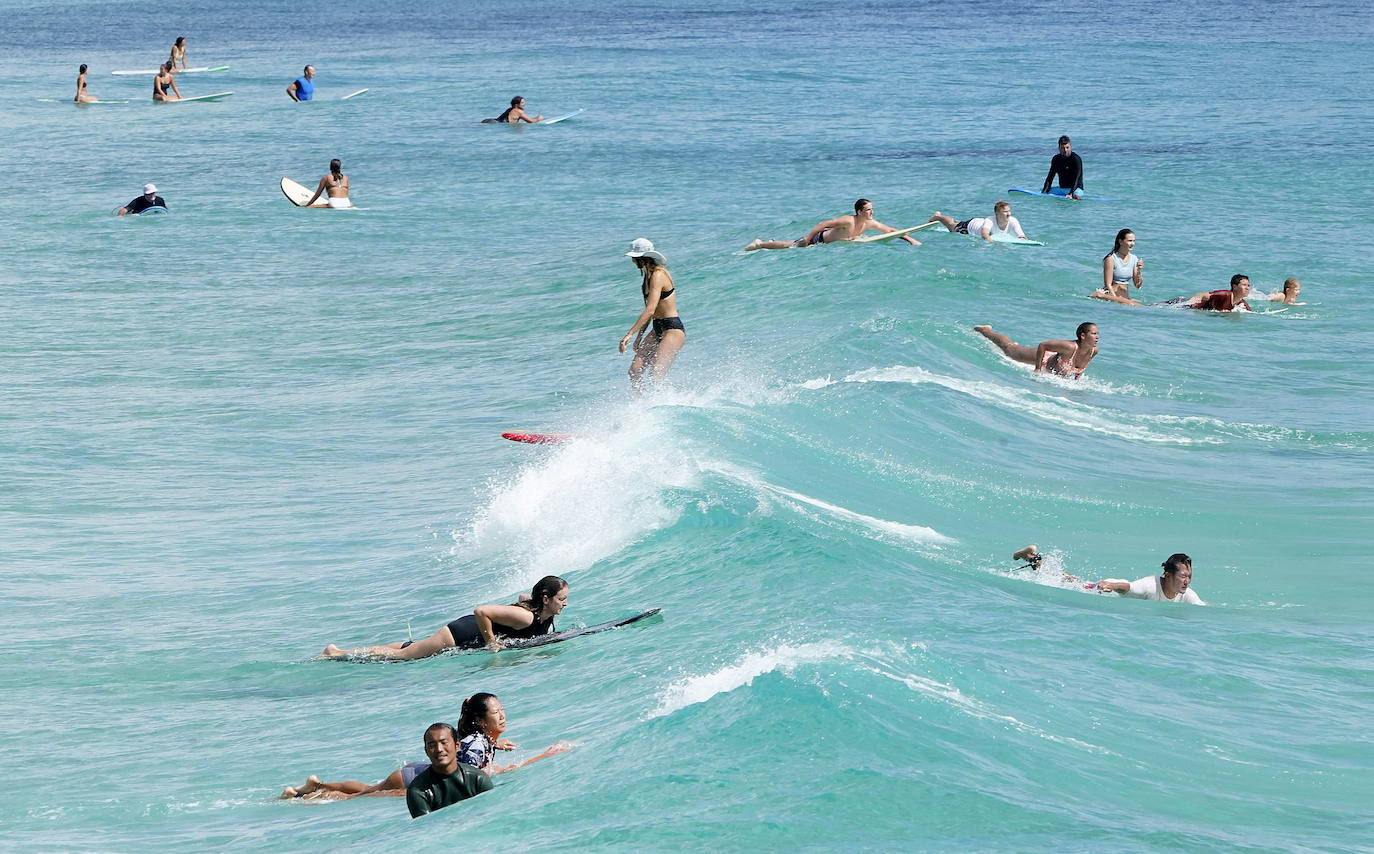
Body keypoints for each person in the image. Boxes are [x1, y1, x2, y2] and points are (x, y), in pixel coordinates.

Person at [278, 692, 572, 801]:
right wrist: (545, 755)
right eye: (497, 712)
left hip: (410, 773)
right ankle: (305, 796)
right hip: (414, 779)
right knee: (361, 797)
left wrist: (498, 744)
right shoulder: (476, 745)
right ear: (482, 720)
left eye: (502, 710)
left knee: (367, 789)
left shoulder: (481, 740)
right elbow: (468, 775)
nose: (503, 715)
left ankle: (314, 786)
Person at [321, 575, 569, 660]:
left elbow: (524, 594)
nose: (565, 603)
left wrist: (534, 599)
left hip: (466, 631)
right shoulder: (525, 617)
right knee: (404, 656)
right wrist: (492, 642)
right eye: (561, 599)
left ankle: (342, 651)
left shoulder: (540, 609)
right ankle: (338, 654)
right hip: (459, 633)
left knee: (410, 647)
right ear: (547, 599)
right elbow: (481, 611)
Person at [1012, 546, 1206, 604]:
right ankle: (1031, 557)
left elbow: (1204, 609)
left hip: (1112, 588)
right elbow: (1126, 586)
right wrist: (1109, 586)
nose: (1187, 580)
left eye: (1189, 576)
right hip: (1106, 589)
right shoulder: (1150, 585)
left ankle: (1032, 557)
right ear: (1168, 575)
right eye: (1182, 576)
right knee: (1068, 582)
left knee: (1072, 579)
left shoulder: (1187, 594)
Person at [619, 238, 685, 390]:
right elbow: (651, 313)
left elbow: (649, 309)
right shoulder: (647, 278)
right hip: (657, 329)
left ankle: (666, 404)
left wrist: (629, 334)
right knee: (634, 371)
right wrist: (639, 337)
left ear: (641, 258)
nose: (633, 262)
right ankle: (643, 405)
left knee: (655, 375)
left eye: (634, 258)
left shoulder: (658, 275)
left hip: (672, 329)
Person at [744, 199, 920, 250]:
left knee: (789, 245)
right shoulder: (847, 220)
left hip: (834, 241)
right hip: (819, 240)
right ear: (859, 211)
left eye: (872, 209)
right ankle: (761, 244)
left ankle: (763, 243)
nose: (871, 212)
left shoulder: (870, 223)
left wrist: (910, 240)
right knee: (789, 246)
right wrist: (808, 238)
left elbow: (890, 230)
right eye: (868, 210)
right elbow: (823, 223)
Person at [406, 724, 493, 818]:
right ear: (426, 751)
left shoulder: (478, 779)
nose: (439, 749)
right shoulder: (418, 791)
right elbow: (426, 827)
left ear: (457, 746)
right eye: (432, 745)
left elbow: (489, 815)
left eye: (444, 743)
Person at [974, 322, 1098, 379]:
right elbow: (1043, 345)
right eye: (1094, 334)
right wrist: (1038, 369)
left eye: (1097, 334)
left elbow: (1081, 366)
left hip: (1053, 362)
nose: (1097, 337)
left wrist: (1076, 380)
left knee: (1011, 349)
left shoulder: (1093, 351)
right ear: (1083, 336)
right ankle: (985, 331)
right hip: (1043, 357)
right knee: (1010, 349)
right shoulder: (1069, 346)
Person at [927, 201, 1029, 243]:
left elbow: (1020, 235)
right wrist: (995, 244)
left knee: (956, 223)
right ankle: (938, 217)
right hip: (970, 226)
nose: (1009, 214)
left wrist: (1023, 240)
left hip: (980, 222)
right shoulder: (990, 220)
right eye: (1005, 212)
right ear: (997, 213)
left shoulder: (1013, 221)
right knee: (952, 227)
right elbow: (984, 235)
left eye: (1009, 211)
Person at [1091, 229, 1145, 305]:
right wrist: (1116, 301)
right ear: (1120, 242)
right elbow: (1108, 285)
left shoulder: (1134, 259)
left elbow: (1137, 285)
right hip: (1110, 295)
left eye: (1134, 241)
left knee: (1147, 305)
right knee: (1137, 306)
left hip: (1124, 297)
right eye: (1129, 241)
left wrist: (1139, 270)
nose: (1132, 244)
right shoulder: (1111, 259)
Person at [1159, 274, 1253, 312]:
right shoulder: (1224, 294)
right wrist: (1189, 302)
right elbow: (1201, 295)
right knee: (1152, 306)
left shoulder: (1242, 303)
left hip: (1191, 309)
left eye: (1248, 285)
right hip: (1183, 304)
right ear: (1234, 286)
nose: (1247, 288)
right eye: (1244, 285)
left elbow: (1253, 314)